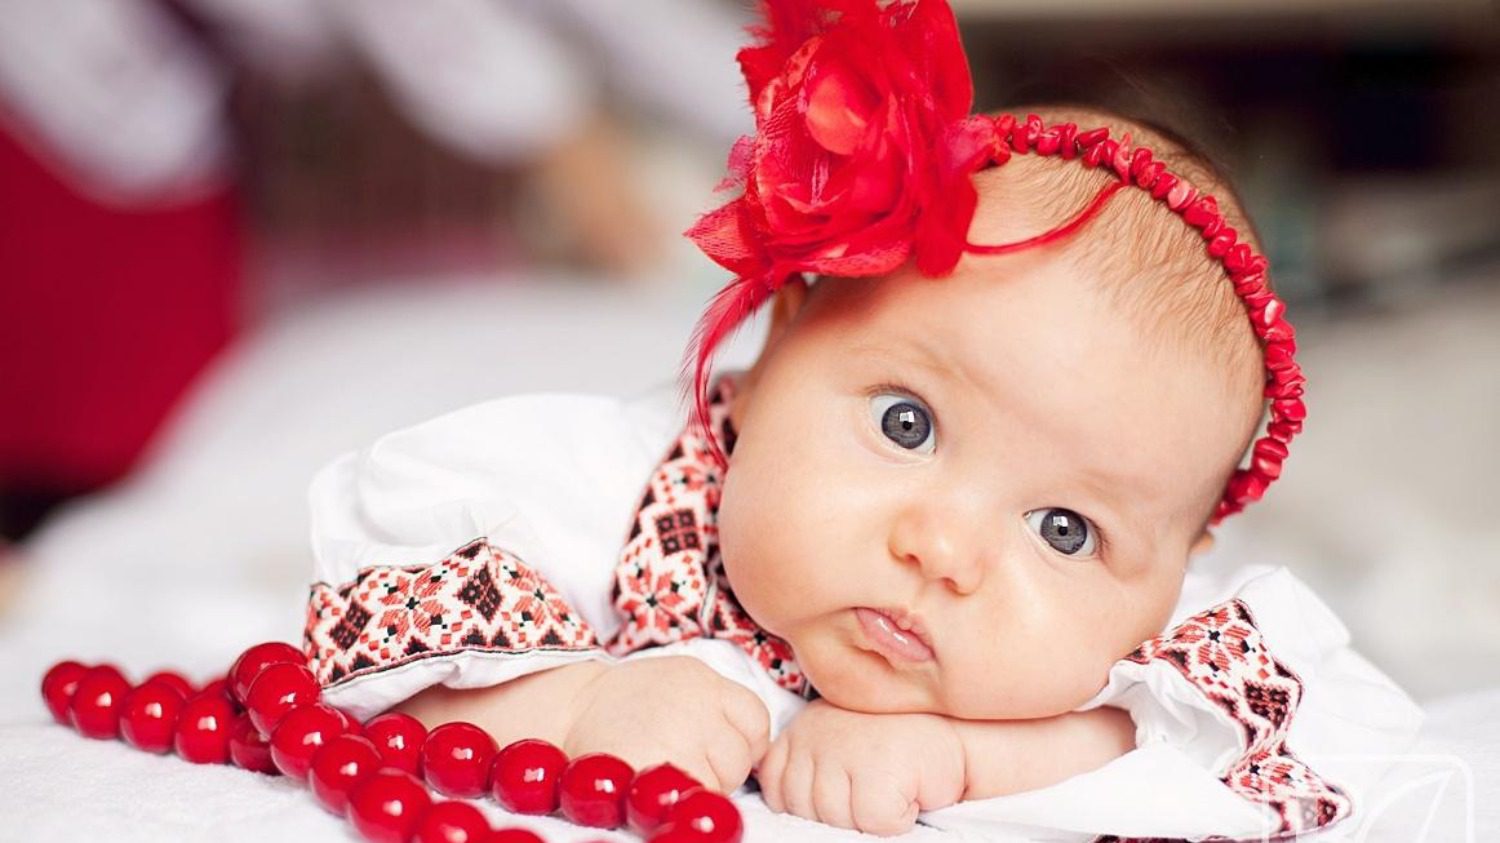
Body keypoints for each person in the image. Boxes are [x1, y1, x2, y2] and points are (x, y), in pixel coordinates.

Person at [301, 1, 1421, 838]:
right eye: (906, 425)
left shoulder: (1138, 644)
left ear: (1174, 568)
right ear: (781, 339)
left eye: (1065, 530)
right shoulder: (611, 483)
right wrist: (580, 700)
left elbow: (1328, 747)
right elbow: (373, 623)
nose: (945, 551)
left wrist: (970, 757)